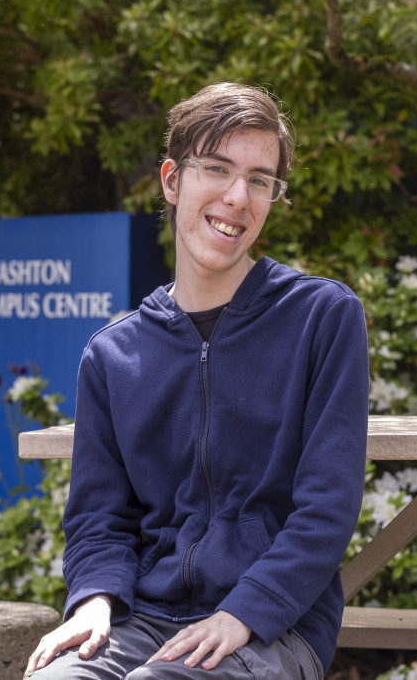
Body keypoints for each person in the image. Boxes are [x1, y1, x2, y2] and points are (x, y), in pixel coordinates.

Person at [24, 82, 369, 679]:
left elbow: (327, 508)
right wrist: (95, 599)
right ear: (172, 179)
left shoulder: (323, 317)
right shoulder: (113, 355)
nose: (238, 196)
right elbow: (98, 518)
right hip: (142, 619)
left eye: (260, 180)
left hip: (272, 628)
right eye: (217, 169)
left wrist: (245, 611)